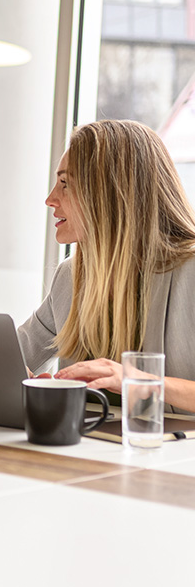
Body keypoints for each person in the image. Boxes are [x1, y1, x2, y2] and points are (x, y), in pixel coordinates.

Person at [19, 119, 195, 412]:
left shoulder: (190, 272)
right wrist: (15, 376)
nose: (50, 199)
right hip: (91, 450)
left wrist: (132, 379)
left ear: (112, 191)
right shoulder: (70, 276)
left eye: (65, 183)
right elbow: (16, 352)